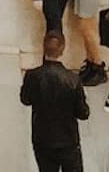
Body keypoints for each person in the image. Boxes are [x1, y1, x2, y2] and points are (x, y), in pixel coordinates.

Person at [21, 30, 90, 172]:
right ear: (62, 50)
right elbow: (83, 114)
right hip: (68, 140)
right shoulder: (73, 79)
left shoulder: (32, 75)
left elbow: (25, 100)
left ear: (43, 47)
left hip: (42, 138)